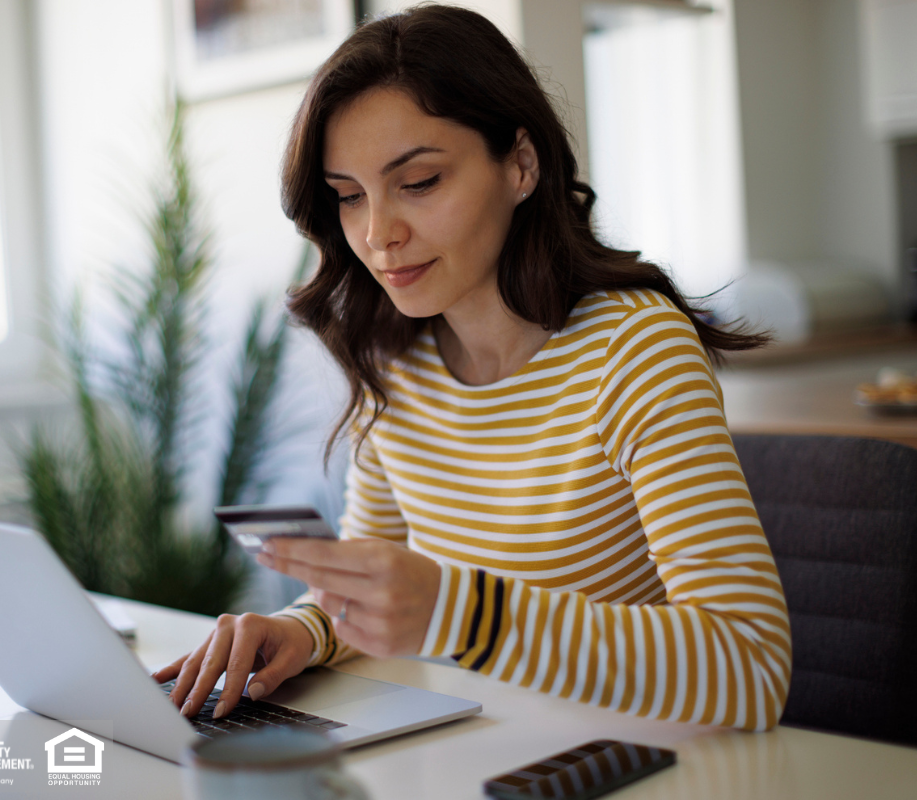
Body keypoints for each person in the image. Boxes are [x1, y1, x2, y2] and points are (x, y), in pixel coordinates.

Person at [154, 4, 791, 732]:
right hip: (481, 751)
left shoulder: (634, 351)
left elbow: (753, 667)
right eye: (349, 196)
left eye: (419, 182)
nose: (377, 234)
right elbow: (381, 577)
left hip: (626, 762)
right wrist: (303, 630)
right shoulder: (397, 362)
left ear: (521, 164)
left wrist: (460, 611)